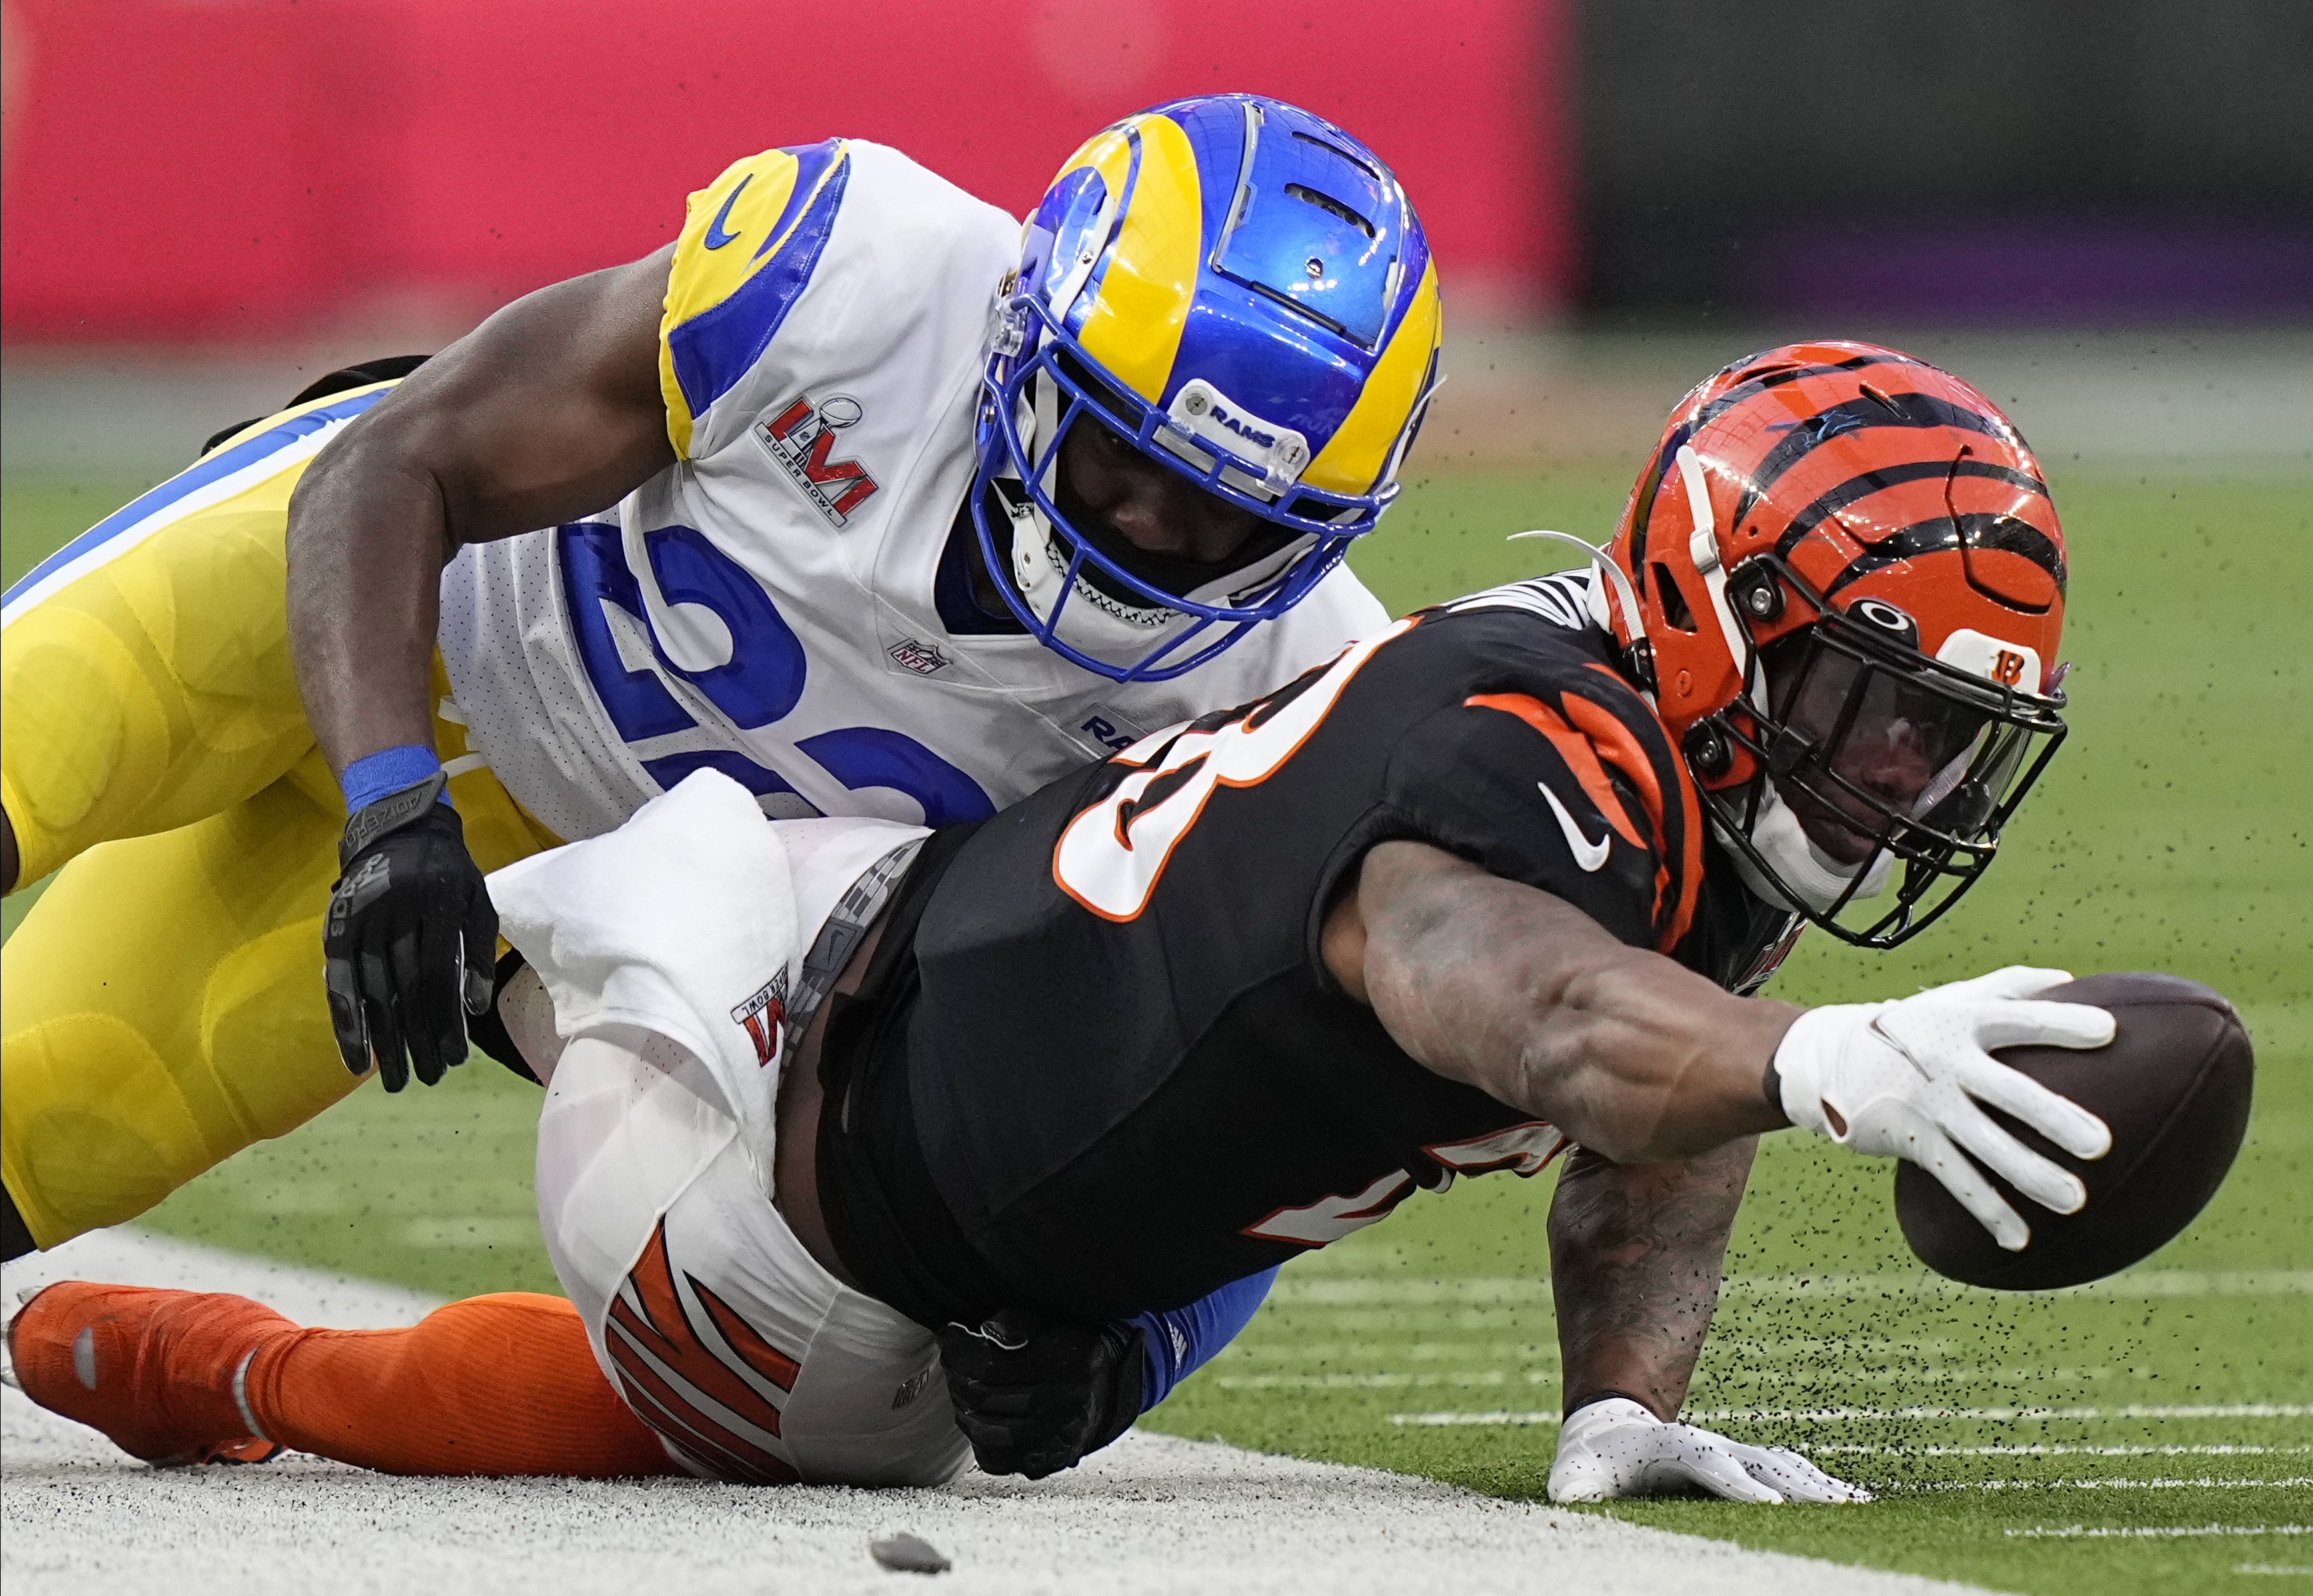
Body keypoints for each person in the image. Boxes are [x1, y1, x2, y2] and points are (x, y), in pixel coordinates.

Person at [7, 344, 2110, 1506]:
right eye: (1871, 708)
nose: (1900, 782)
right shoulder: (1513, 750)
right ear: (1724, 622)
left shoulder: (1633, 787)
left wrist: (1623, 1395)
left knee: (788, 1383)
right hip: (775, 1038)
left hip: (840, 1133)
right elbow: (1538, 1003)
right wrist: (1814, 1062)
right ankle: (461, 1003)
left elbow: (1634, 1065)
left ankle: (260, 1328)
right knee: (714, 874)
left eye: (1939, 742)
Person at [0, 93, 1432, 1259]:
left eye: (1232, 516)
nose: (1149, 532)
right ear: (1024, 339)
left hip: (541, 870)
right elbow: (398, 463)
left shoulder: (1290, 690)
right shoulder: (863, 281)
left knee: (60, 1122)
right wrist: (387, 801)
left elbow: (1244, 1096)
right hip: (372, 614)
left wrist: (1133, 1327)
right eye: (1121, 451)